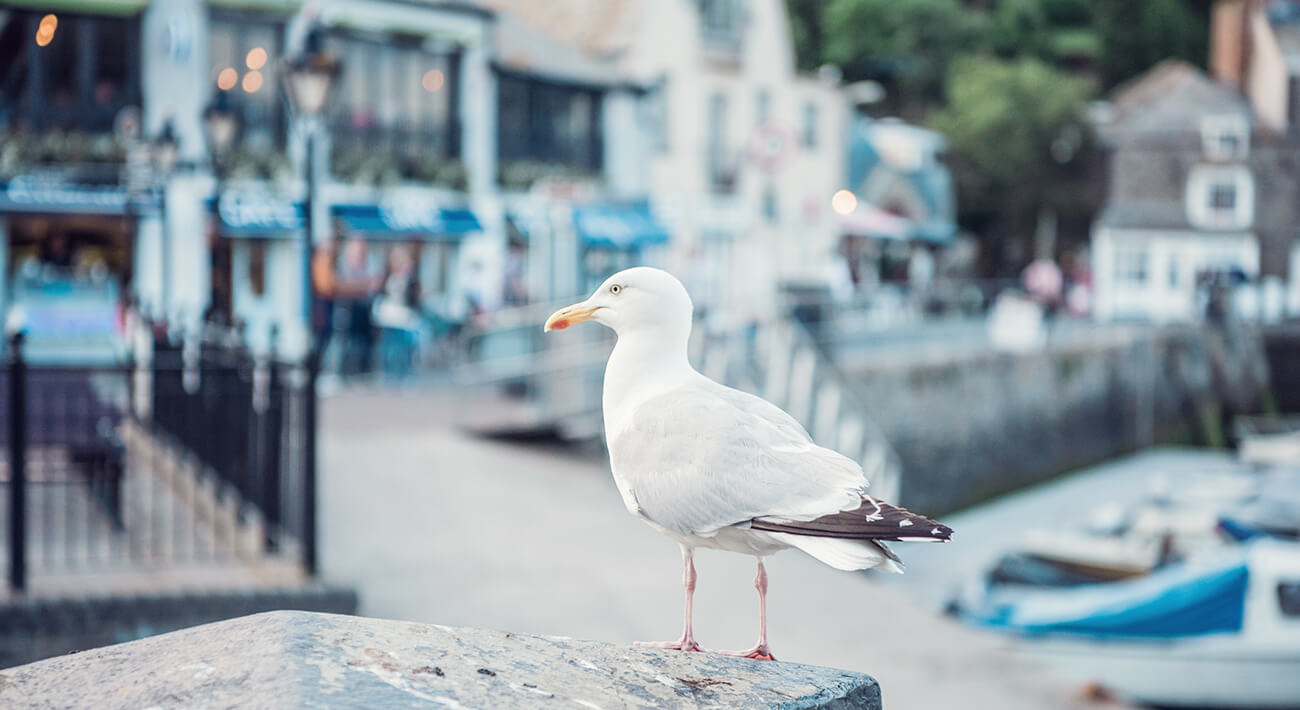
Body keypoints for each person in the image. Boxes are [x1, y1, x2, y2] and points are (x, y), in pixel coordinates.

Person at [373, 244, 421, 378]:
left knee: (405, 346)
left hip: (405, 317)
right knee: (389, 346)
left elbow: (414, 296)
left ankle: (404, 373)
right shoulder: (387, 275)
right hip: (388, 316)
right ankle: (389, 373)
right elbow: (380, 293)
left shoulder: (410, 277)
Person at [337, 239, 379, 376]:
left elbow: (375, 284)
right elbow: (340, 286)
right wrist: (363, 285)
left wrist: (357, 286)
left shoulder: (369, 264)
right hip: (347, 310)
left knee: (365, 342)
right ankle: (345, 372)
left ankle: (362, 371)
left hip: (365, 310)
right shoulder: (342, 265)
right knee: (348, 343)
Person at [309, 237, 341, 363]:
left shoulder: (326, 261)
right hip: (322, 305)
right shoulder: (322, 261)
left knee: (324, 338)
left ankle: (318, 364)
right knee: (320, 338)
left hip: (325, 304)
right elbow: (327, 287)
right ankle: (316, 365)